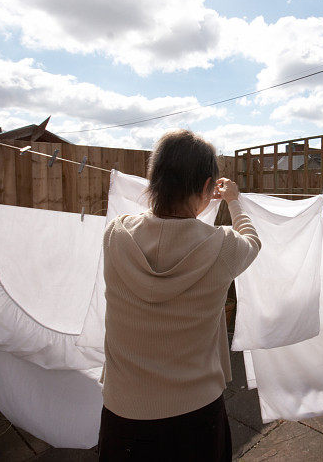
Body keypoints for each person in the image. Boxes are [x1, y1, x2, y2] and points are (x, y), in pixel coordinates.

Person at [97, 129, 261, 461]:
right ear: (206, 188)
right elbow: (253, 242)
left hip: (124, 415)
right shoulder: (222, 246)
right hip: (196, 415)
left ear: (152, 180)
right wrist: (234, 201)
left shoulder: (116, 235)